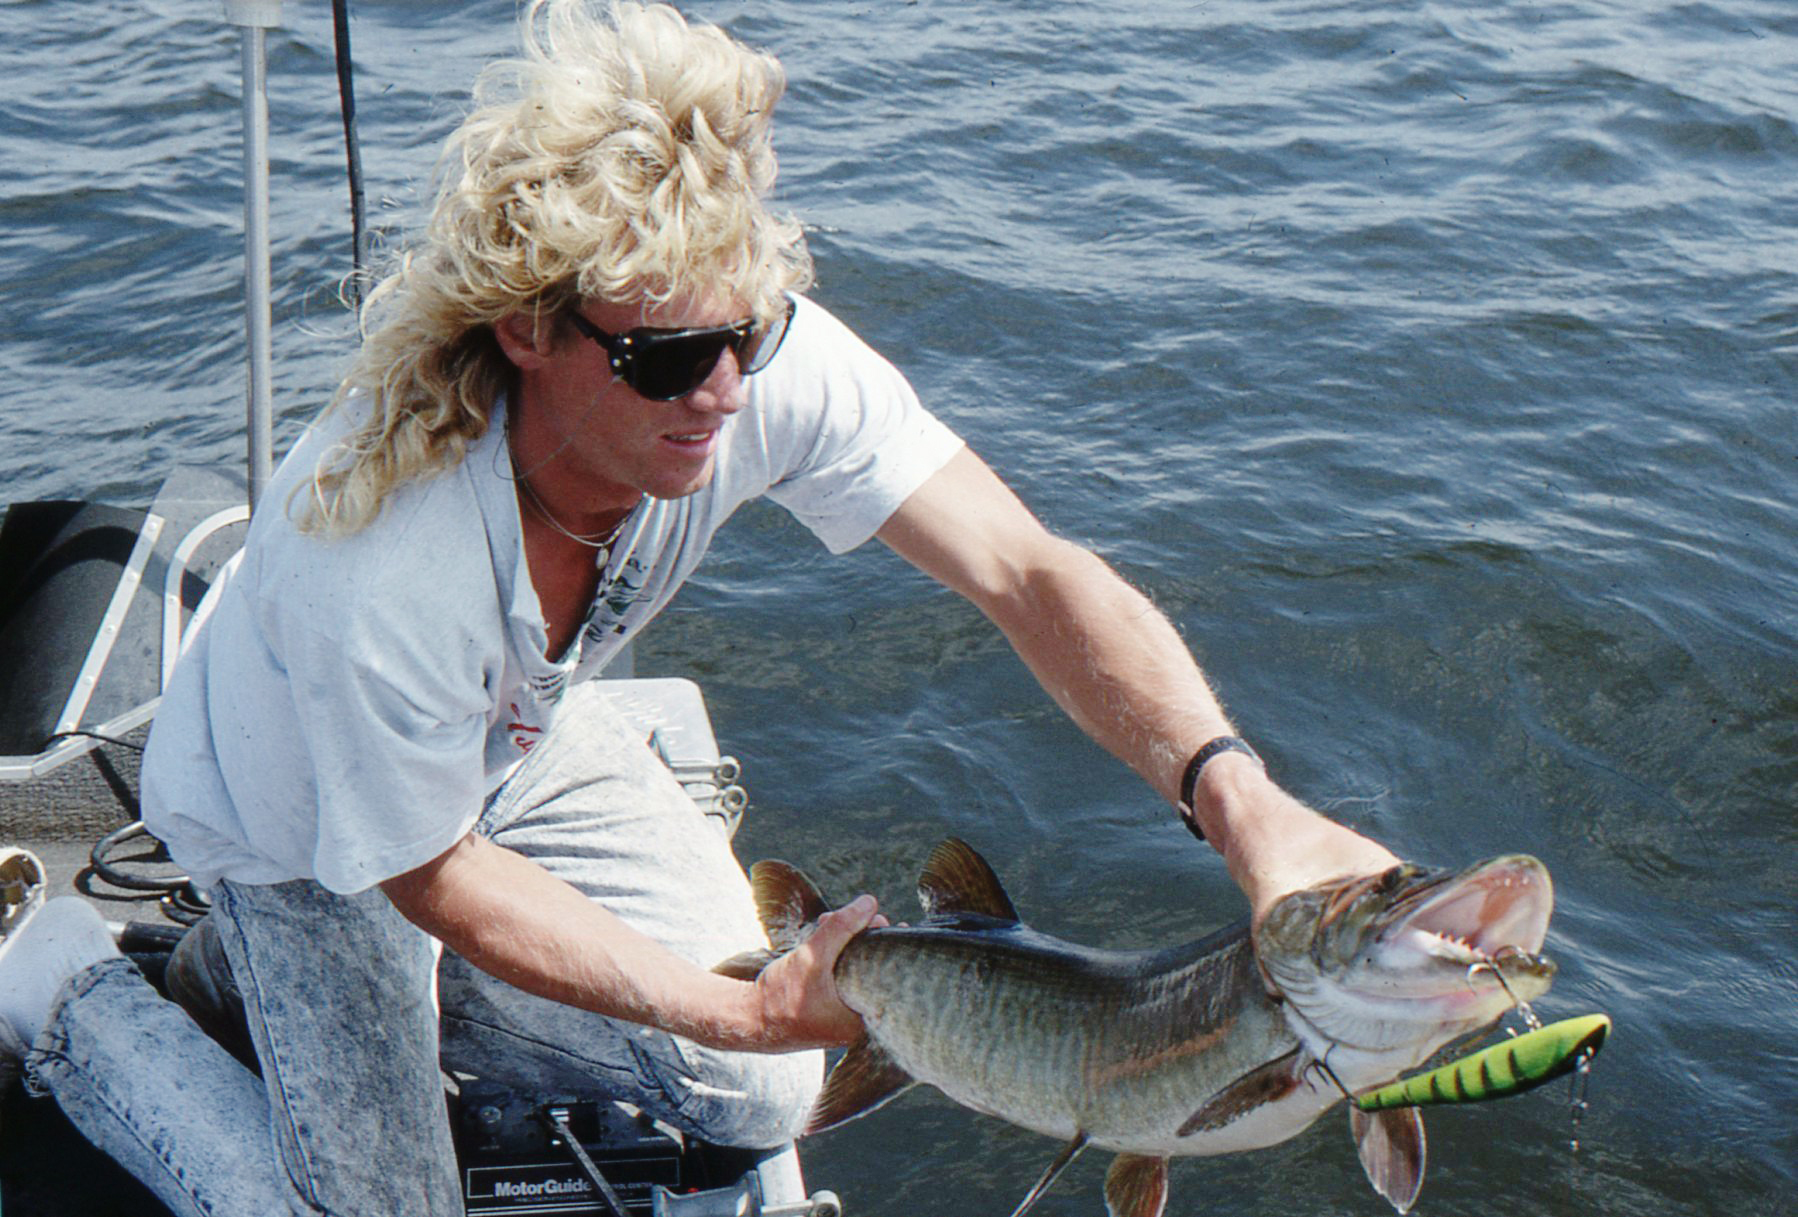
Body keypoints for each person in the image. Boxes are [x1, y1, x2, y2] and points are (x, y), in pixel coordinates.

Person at [0, 2, 1398, 1213]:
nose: (726, 394)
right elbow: (433, 871)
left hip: (512, 743)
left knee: (758, 1096)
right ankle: (72, 989)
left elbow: (1024, 570)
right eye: (671, 357)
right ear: (529, 329)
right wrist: (733, 997)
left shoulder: (737, 361)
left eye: (749, 332)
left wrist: (1233, 795)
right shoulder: (383, 565)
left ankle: (251, 992)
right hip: (309, 828)